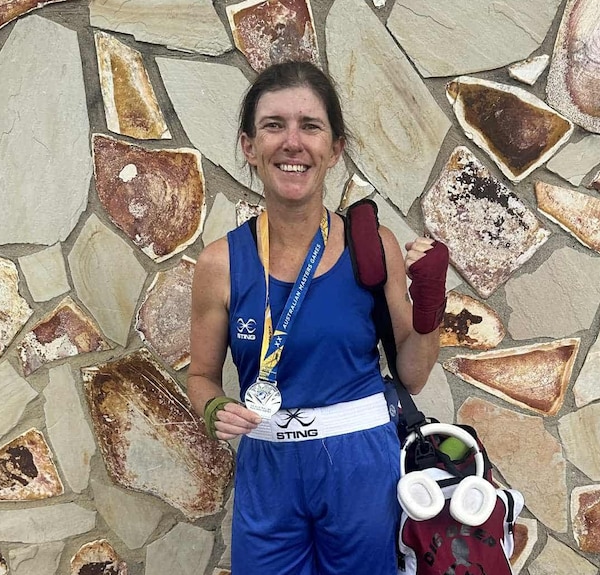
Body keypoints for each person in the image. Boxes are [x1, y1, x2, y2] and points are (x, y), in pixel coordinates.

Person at [187, 60, 448, 575]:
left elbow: (414, 375)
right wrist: (214, 407)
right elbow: (200, 377)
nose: (293, 142)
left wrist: (430, 305)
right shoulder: (219, 264)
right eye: (274, 126)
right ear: (249, 147)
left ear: (335, 148)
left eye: (310, 126)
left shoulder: (373, 248)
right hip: (268, 470)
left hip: (360, 467)